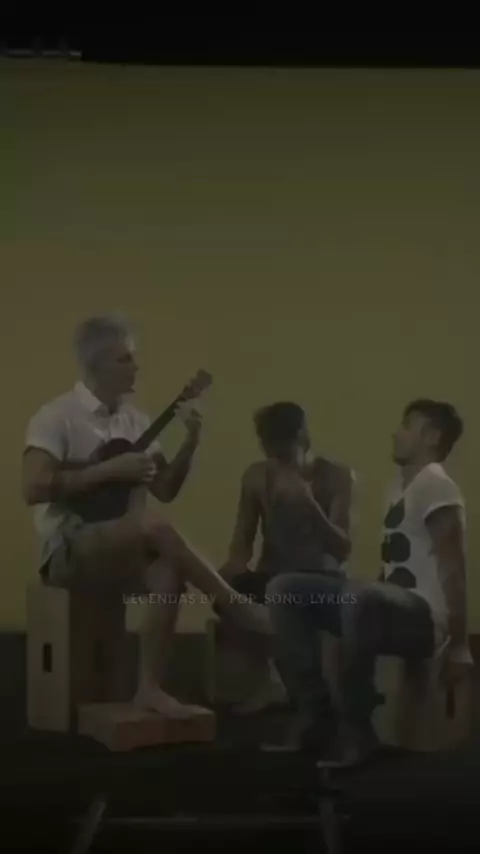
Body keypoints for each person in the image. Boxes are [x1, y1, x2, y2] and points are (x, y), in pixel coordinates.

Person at [22, 313, 266, 720]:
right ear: (98, 364)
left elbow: (165, 489)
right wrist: (108, 470)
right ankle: (234, 605)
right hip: (68, 549)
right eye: (126, 359)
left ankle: (149, 689)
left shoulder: (136, 419)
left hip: (121, 548)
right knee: (151, 524)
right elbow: (32, 488)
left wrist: (191, 442)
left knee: (168, 570)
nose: (137, 367)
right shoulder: (56, 416)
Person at [266, 399, 472, 761]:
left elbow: (454, 567)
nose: (396, 433)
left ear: (431, 436)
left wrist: (459, 644)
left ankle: (358, 732)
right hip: (386, 608)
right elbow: (395, 564)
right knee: (285, 589)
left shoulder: (438, 486)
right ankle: (316, 714)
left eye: (407, 426)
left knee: (360, 597)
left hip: (425, 620)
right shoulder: (400, 487)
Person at [218, 401, 354, 714]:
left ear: (304, 437)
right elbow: (241, 545)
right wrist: (226, 578)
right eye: (273, 454)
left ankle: (303, 679)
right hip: (272, 577)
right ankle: (273, 677)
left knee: (287, 597)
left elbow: (342, 549)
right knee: (222, 586)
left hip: (320, 579)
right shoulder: (256, 477)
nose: (280, 462)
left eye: (286, 453)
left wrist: (309, 505)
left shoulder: (337, 477)